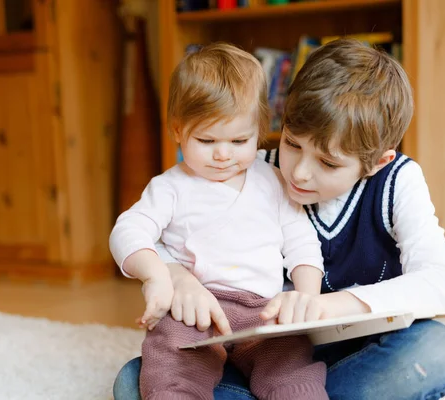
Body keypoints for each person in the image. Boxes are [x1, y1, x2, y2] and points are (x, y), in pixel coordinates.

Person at [113, 39, 445, 400]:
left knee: (437, 349)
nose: (299, 173)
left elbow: (440, 282)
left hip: (352, 355)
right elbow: (150, 230)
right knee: (133, 379)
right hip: (254, 347)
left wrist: (323, 305)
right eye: (293, 144)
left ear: (378, 162)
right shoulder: (249, 165)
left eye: (328, 163)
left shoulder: (398, 181)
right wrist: (178, 278)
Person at [109, 43, 329, 400]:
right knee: (172, 360)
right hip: (196, 311)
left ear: (260, 129)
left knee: (292, 367)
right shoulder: (171, 188)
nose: (223, 154)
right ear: (178, 131)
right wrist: (155, 275)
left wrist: (305, 299)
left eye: (239, 140)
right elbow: (128, 230)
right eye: (207, 140)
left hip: (265, 312)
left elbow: (303, 246)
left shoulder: (273, 180)